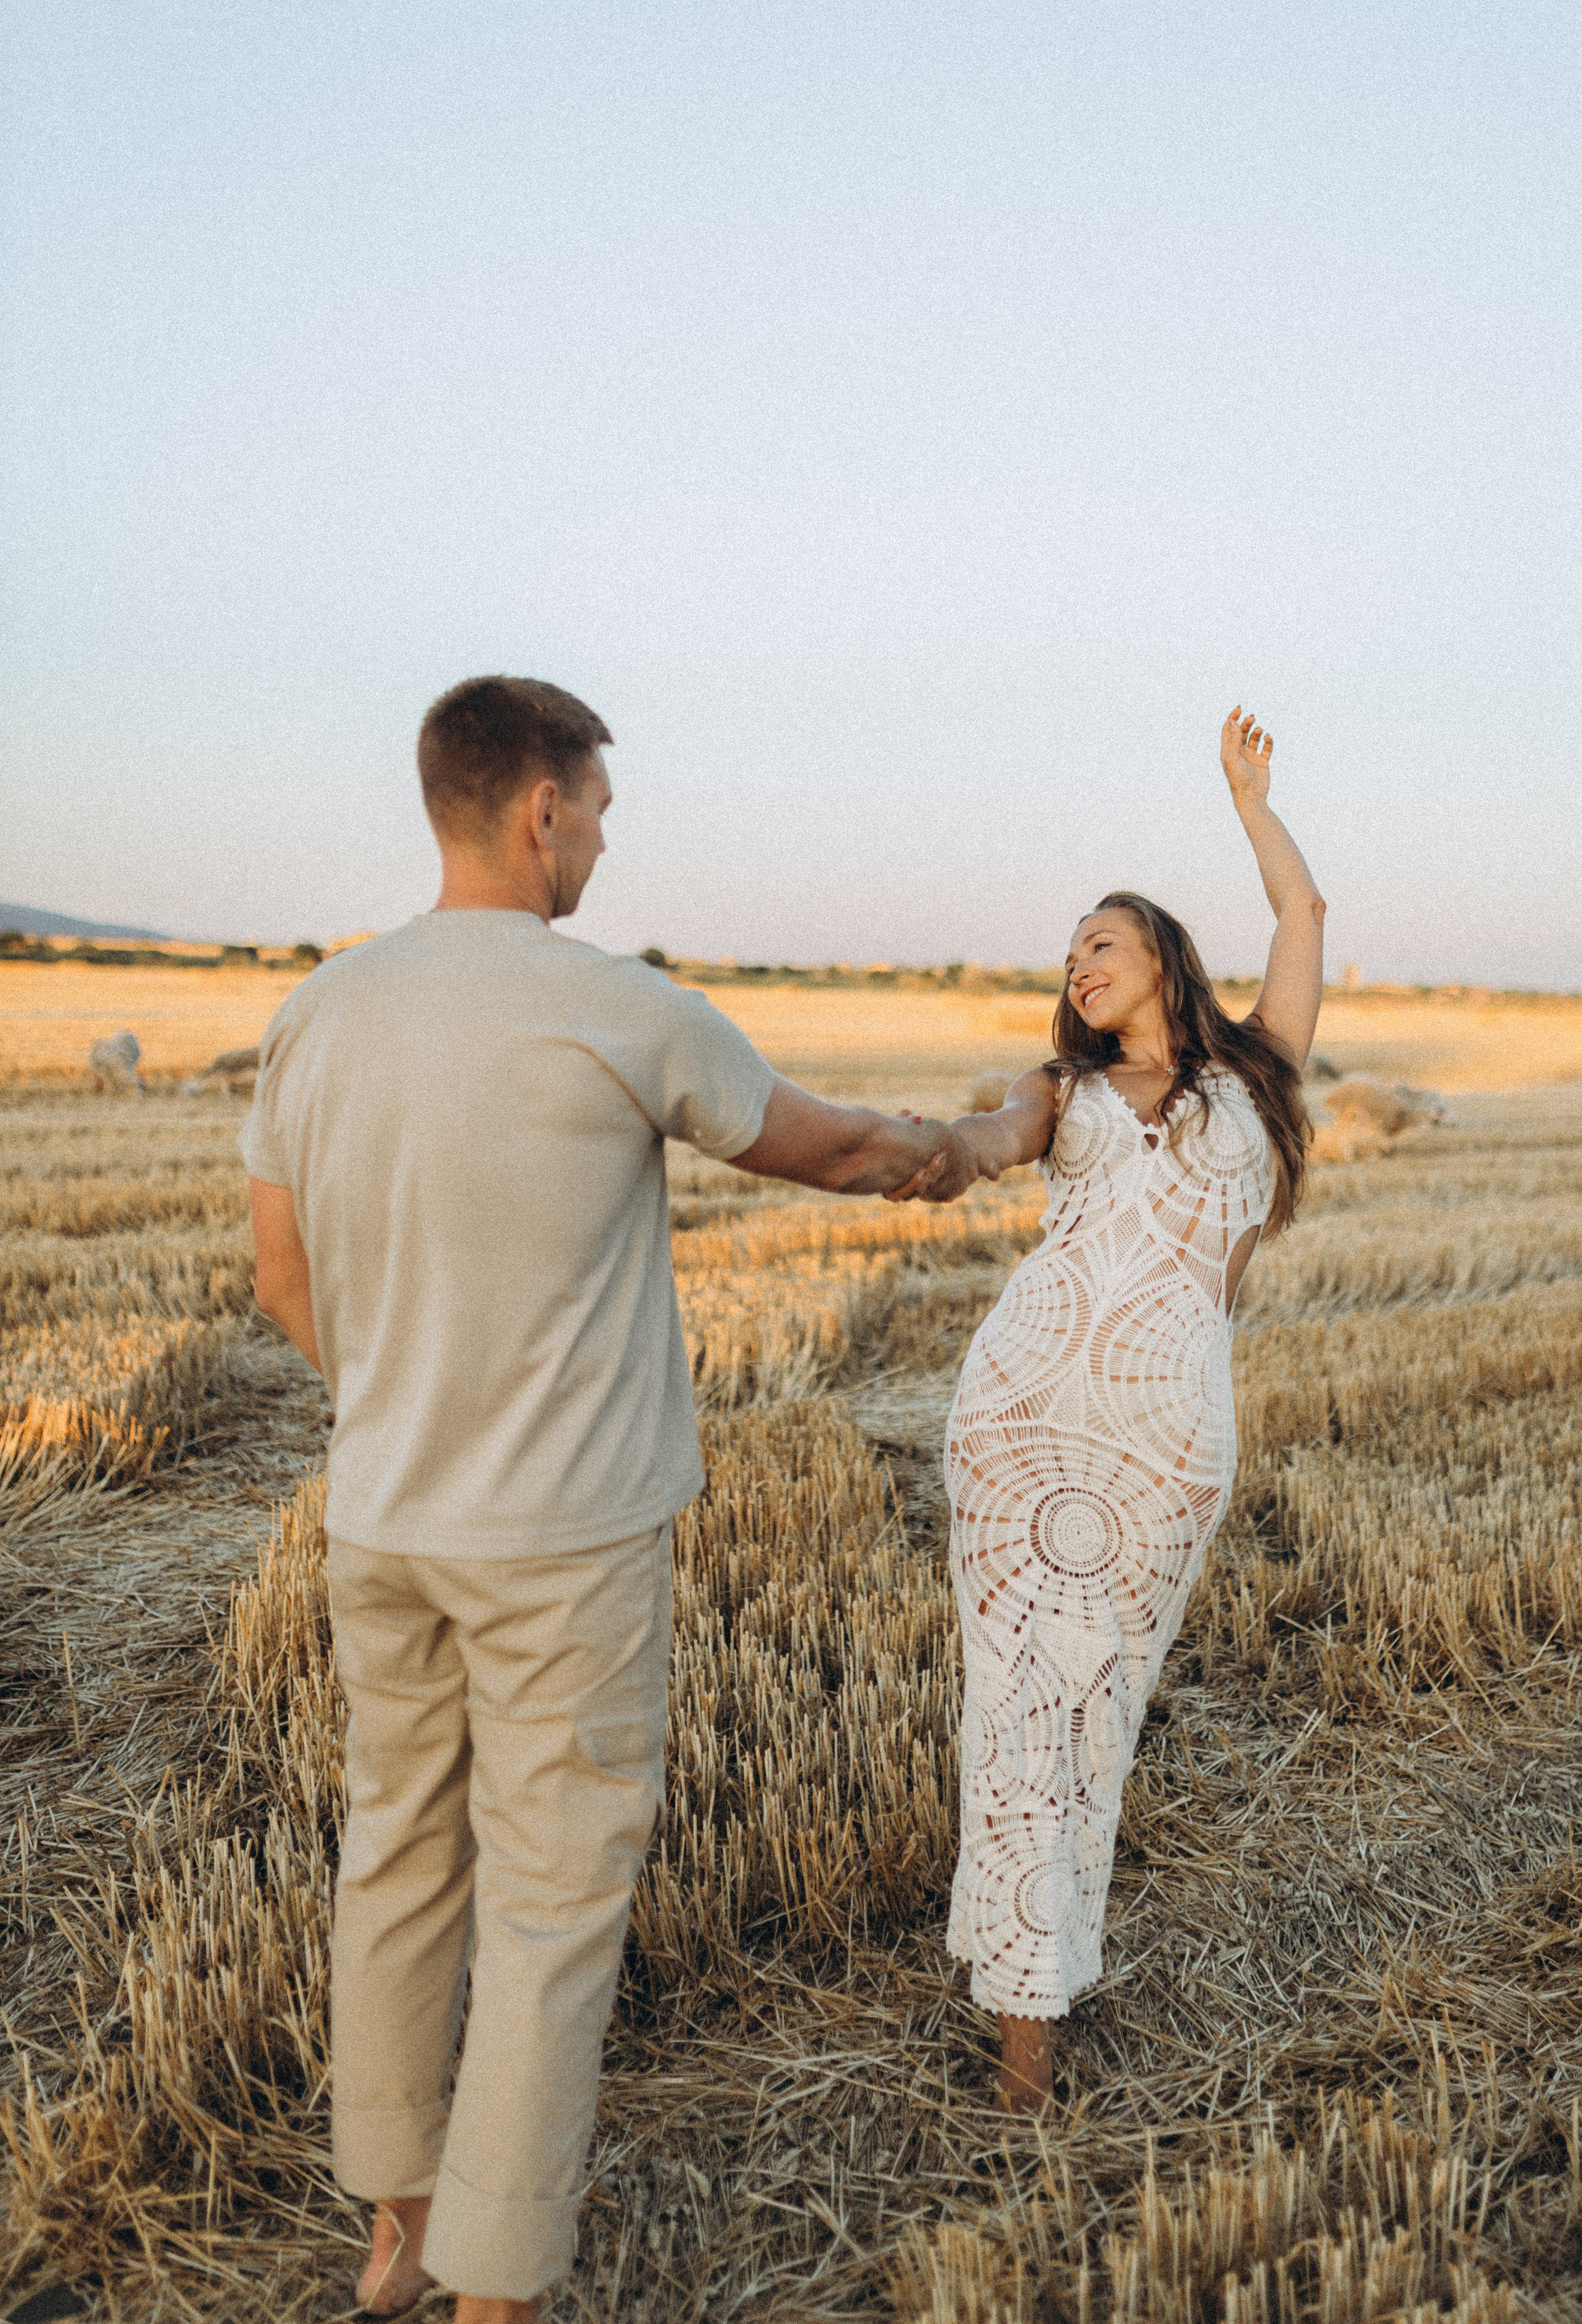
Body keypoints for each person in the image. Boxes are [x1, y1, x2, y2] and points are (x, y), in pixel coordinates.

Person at [243, 676, 967, 2324]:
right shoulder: (615, 1005)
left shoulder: (318, 1012)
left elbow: (282, 1280)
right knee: (559, 1899)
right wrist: (969, 1140)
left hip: (383, 1521)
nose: (602, 841)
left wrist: (400, 1406)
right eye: (599, 810)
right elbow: (833, 1151)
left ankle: (396, 2232)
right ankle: (498, 2288)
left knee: (396, 1859)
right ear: (537, 810)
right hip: (562, 1541)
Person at [913, 708, 1324, 2110]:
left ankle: (1016, 1961)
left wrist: (1245, 801)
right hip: (1022, 1413)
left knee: (1095, 1705)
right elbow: (989, 1138)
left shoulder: (1252, 1076)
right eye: (1066, 953)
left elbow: (1303, 907)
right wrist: (940, 1151)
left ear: (1159, 956)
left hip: (1165, 1437)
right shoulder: (1060, 1092)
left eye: (1099, 940)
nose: (1076, 963)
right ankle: (1025, 2050)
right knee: (1014, 1709)